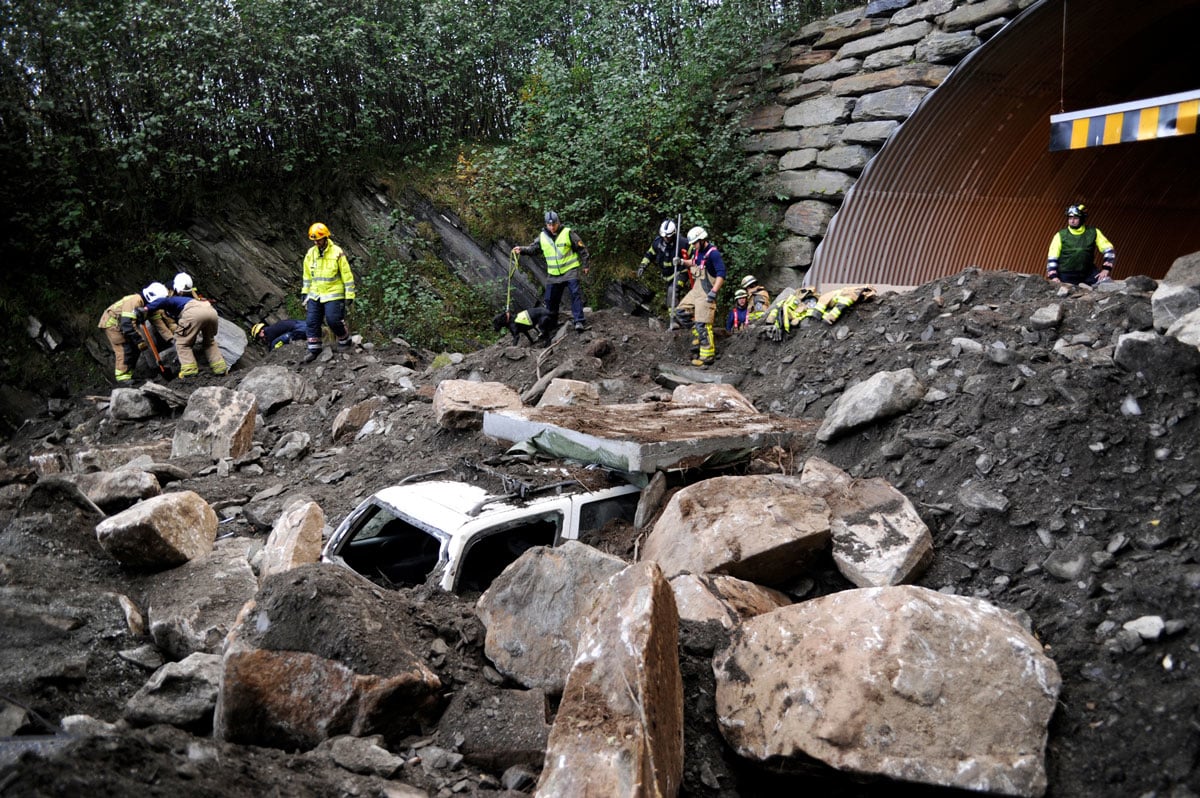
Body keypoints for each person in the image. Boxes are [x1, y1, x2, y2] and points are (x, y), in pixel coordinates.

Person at [512, 211, 590, 332]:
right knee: (550, 299)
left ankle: (579, 321)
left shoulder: (567, 233)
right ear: (546, 225)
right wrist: (521, 250)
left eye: (554, 224)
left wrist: (586, 265)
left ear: (558, 222)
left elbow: (582, 248)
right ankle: (551, 324)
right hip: (553, 274)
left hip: (570, 271)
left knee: (575, 295)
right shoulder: (542, 237)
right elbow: (533, 249)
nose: (552, 227)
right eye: (549, 225)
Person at [141, 281, 227, 378]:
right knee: (209, 342)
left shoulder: (170, 300)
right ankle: (220, 368)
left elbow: (162, 302)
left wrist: (145, 309)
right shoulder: (184, 300)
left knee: (182, 343)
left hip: (194, 313)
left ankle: (189, 371)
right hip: (211, 312)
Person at [301, 222, 357, 363]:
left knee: (333, 319)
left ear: (326, 238)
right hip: (315, 293)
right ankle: (314, 348)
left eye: (318, 239)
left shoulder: (337, 252)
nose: (316, 242)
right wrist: (305, 292)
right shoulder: (310, 253)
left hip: (333, 292)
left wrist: (349, 294)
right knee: (312, 321)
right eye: (314, 240)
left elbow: (347, 275)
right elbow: (307, 275)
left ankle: (344, 339)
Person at [97, 284, 176, 382]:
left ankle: (129, 375)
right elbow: (127, 324)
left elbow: (159, 325)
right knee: (124, 349)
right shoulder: (135, 301)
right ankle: (122, 378)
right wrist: (139, 341)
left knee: (135, 349)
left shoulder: (151, 306)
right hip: (113, 324)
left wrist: (172, 339)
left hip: (125, 324)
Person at [673, 226, 726, 367]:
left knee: (703, 324)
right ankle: (698, 334)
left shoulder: (713, 254)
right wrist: (682, 262)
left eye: (695, 243)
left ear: (702, 240)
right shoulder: (698, 252)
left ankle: (707, 357)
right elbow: (694, 262)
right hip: (696, 290)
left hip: (707, 292)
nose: (693, 246)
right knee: (680, 312)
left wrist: (714, 291)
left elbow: (721, 274)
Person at [1046, 204, 1115, 285]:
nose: (1072, 221)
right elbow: (1052, 257)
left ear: (1082, 219)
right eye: (1070, 218)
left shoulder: (1093, 232)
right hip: (1066, 274)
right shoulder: (1060, 235)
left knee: (1106, 283)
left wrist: (1106, 269)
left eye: (1075, 218)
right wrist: (1053, 276)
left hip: (1088, 272)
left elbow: (1109, 250)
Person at [638, 219, 689, 313]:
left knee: (672, 291)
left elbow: (694, 256)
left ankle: (674, 319)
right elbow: (649, 254)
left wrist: (685, 262)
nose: (666, 238)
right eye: (664, 236)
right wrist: (643, 265)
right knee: (670, 298)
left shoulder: (682, 243)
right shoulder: (658, 242)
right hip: (667, 274)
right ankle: (675, 317)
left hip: (680, 272)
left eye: (668, 237)